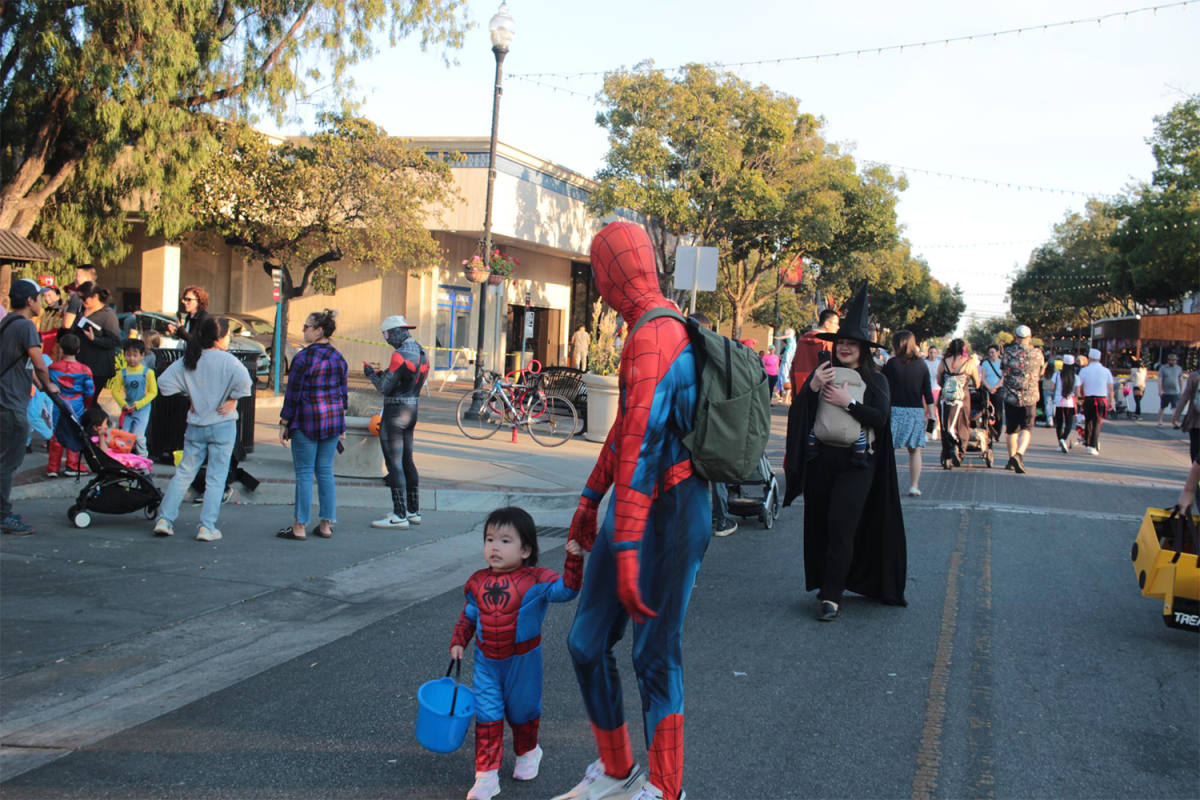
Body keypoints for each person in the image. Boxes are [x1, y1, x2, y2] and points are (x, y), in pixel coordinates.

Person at [555, 222, 709, 800]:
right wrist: (590, 502)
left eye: (601, 270)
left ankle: (666, 791)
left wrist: (623, 542)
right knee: (586, 642)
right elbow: (626, 433)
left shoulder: (654, 336)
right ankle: (618, 769)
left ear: (612, 274)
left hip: (670, 509)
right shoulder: (651, 328)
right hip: (642, 507)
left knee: (655, 653)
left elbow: (641, 444)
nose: (601, 283)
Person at [782, 282, 907, 622]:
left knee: (841, 526)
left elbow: (880, 420)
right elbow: (800, 414)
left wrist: (848, 402)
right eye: (842, 343)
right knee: (821, 523)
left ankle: (832, 597)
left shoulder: (876, 380)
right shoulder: (822, 374)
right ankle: (827, 582)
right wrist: (814, 389)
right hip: (821, 459)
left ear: (863, 349)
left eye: (853, 344)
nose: (846, 348)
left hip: (858, 463)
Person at [451, 507, 585, 800]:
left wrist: (574, 559)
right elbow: (470, 614)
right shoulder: (476, 581)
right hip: (487, 662)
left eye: (505, 540)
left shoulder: (537, 579)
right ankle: (486, 776)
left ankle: (528, 751)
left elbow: (567, 590)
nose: (494, 546)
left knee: (523, 711)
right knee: (488, 714)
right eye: (489, 539)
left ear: (526, 550)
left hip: (523, 662)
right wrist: (459, 639)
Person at [152, 316, 253, 542]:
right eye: (228, 335)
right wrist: (232, 400)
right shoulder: (230, 362)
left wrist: (188, 395)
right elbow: (246, 385)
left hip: (196, 425)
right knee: (216, 478)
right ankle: (207, 527)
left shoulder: (190, 359)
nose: (229, 339)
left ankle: (164, 520)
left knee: (183, 473)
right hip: (223, 426)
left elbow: (164, 384)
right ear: (219, 338)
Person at [277, 310, 348, 541]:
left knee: (305, 473)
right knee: (326, 472)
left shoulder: (303, 358)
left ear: (319, 331)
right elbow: (342, 395)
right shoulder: (339, 358)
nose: (303, 330)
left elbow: (293, 394)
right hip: (332, 422)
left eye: (306, 327)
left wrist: (284, 422)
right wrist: (342, 425)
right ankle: (326, 524)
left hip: (307, 420)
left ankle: (299, 527)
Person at [1, 279, 58, 535]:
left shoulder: (7, 323)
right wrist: (50, 385)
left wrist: (39, 383)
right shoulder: (25, 326)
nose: (41, 303)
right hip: (11, 406)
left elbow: (22, 364)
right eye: (39, 298)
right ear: (29, 301)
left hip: (5, 403)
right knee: (7, 464)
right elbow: (38, 362)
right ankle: (3, 516)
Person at [365, 315, 428, 529]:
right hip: (412, 409)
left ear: (394, 332)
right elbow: (405, 379)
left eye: (387, 335)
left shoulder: (399, 354)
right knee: (408, 460)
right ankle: (413, 510)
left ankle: (399, 515)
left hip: (395, 412)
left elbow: (384, 387)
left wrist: (371, 375)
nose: (387, 340)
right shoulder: (421, 351)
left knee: (394, 463)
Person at [882, 330, 934, 496]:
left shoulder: (892, 363)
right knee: (914, 450)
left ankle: (887, 486)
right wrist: (931, 415)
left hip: (894, 410)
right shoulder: (922, 365)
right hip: (915, 411)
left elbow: (882, 384)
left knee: (888, 451)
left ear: (898, 344)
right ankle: (914, 486)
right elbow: (927, 392)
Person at [47, 333, 95, 477]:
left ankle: (52, 468)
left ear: (61, 349)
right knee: (75, 432)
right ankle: (72, 465)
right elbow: (90, 391)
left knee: (56, 432)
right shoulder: (85, 370)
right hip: (77, 403)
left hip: (59, 402)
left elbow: (47, 384)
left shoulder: (52, 367)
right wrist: (87, 405)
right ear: (78, 350)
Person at [65, 282, 121, 405]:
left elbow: (115, 340)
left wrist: (94, 339)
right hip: (80, 364)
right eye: (79, 298)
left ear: (95, 296)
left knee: (90, 401)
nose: (81, 301)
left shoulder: (107, 315)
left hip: (98, 368)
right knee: (80, 400)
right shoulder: (81, 310)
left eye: (84, 298)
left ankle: (100, 422)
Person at [1001, 325, 1045, 474]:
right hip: (1030, 396)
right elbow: (1041, 370)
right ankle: (1019, 455)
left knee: (1011, 430)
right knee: (1026, 428)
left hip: (1010, 395)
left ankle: (1011, 459)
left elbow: (1004, 369)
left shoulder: (1008, 352)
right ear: (1030, 337)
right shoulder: (1037, 353)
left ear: (1016, 337)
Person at [937, 339, 980, 469]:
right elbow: (977, 383)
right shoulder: (969, 363)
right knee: (963, 424)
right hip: (963, 398)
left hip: (946, 398)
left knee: (946, 425)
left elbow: (939, 380)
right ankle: (960, 452)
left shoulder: (944, 362)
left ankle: (946, 455)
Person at [111, 339, 157, 457]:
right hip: (128, 409)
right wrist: (123, 404)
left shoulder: (148, 372)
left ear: (142, 355)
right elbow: (115, 391)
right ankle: (124, 460)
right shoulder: (122, 373)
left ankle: (143, 460)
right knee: (124, 436)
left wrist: (139, 404)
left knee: (139, 436)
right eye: (128, 355)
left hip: (142, 409)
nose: (131, 358)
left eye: (135, 355)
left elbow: (153, 392)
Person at [80, 405, 153, 474]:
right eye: (105, 424)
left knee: (137, 459)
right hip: (109, 462)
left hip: (110, 460)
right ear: (96, 427)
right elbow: (103, 452)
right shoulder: (95, 439)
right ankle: (148, 484)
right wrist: (101, 437)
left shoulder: (94, 438)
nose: (106, 426)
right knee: (138, 462)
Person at [1077, 348, 1115, 456]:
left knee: (1088, 421)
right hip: (1101, 399)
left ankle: (1088, 443)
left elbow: (1080, 386)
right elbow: (1111, 388)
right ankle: (1093, 445)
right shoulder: (1106, 371)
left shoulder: (1084, 371)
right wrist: (1111, 401)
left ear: (1089, 358)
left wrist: (1080, 397)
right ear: (1099, 358)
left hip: (1088, 399)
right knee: (1097, 423)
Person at [791, 308, 839, 393]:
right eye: (836, 324)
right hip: (820, 385)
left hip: (800, 380)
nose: (838, 327)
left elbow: (794, 364)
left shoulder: (802, 340)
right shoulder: (827, 342)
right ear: (827, 324)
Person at [1051, 354, 1079, 452]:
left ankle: (1060, 443)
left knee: (1059, 423)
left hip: (1058, 400)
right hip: (1070, 401)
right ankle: (1064, 438)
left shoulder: (1057, 374)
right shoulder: (1076, 377)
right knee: (1069, 422)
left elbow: (1051, 387)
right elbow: (1078, 392)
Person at [1172, 367, 1200, 462]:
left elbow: (1185, 396)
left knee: (1195, 447)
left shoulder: (1194, 376)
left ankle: (1195, 473)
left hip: (1195, 420)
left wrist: (1176, 415)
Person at [60, 264, 97, 330]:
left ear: (87, 278)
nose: (74, 278)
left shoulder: (77, 297)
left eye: (77, 275)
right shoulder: (98, 294)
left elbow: (66, 324)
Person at [980, 343, 1005, 440]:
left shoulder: (1002, 363)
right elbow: (982, 377)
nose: (991, 354)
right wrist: (989, 387)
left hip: (998, 389)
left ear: (998, 353)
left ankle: (997, 432)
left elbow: (1003, 377)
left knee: (998, 412)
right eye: (989, 352)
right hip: (987, 389)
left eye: (993, 352)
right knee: (987, 411)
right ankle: (988, 431)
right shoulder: (985, 363)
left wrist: (995, 387)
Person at [1158, 353, 1184, 428]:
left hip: (1175, 392)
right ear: (1169, 360)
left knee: (1174, 407)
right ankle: (1160, 421)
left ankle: (1175, 422)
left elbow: (1180, 379)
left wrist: (1181, 390)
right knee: (1162, 407)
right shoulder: (1163, 368)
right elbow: (1160, 379)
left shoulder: (1178, 368)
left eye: (1175, 360)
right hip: (1165, 391)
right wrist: (1160, 390)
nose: (1174, 361)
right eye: (1172, 360)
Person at [924, 345, 943, 440]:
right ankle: (927, 430)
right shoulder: (924, 363)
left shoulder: (939, 363)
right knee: (925, 411)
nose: (932, 354)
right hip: (926, 389)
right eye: (931, 352)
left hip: (936, 388)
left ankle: (934, 428)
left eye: (934, 352)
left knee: (934, 411)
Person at [777, 327, 796, 403]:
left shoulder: (790, 337)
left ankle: (786, 397)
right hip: (789, 356)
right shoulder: (790, 343)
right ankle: (786, 398)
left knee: (786, 365)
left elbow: (785, 336)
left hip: (789, 356)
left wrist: (778, 338)